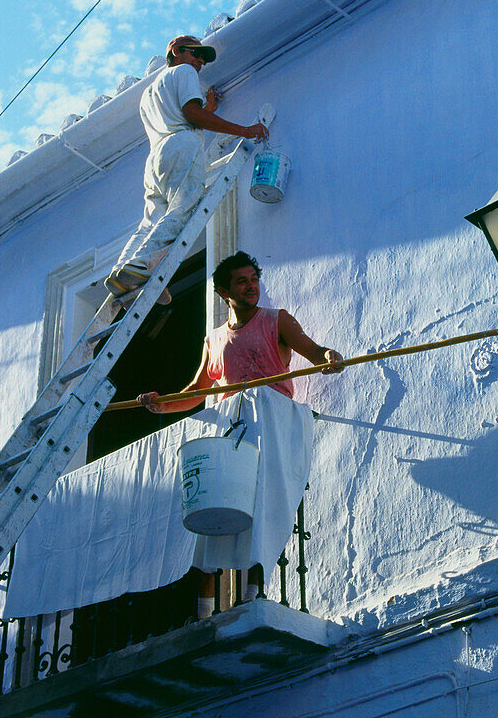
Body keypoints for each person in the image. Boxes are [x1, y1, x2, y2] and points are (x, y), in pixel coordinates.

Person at [136, 251, 343, 609]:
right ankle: (203, 609)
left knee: (260, 505)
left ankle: (252, 595)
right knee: (213, 508)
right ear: (223, 292)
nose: (251, 287)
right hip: (232, 436)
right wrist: (161, 403)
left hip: (270, 428)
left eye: (254, 279)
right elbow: (197, 392)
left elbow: (314, 351)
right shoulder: (213, 340)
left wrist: (328, 359)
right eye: (242, 281)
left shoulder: (277, 321)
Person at [105, 36, 270, 302]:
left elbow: (183, 115)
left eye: (202, 58)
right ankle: (144, 265)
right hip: (181, 146)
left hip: (156, 159)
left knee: (150, 222)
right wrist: (244, 130)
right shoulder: (183, 71)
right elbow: (191, 115)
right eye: (196, 54)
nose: (200, 62)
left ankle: (123, 274)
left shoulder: (148, 94)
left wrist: (209, 109)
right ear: (176, 52)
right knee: (185, 208)